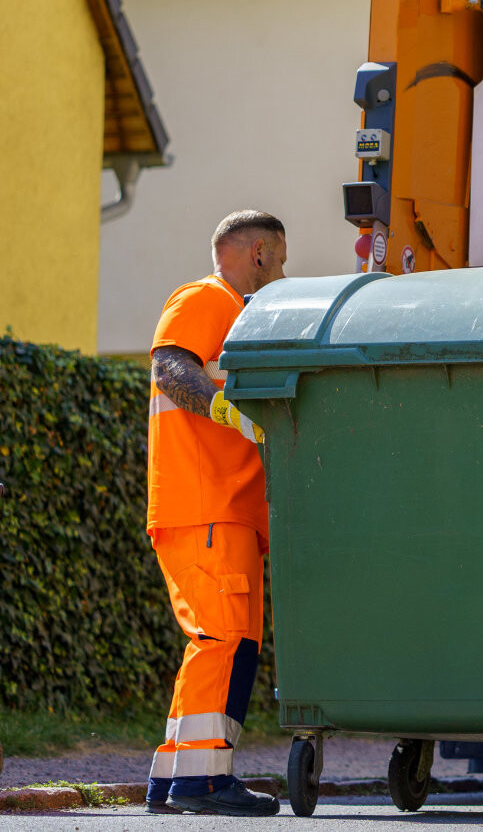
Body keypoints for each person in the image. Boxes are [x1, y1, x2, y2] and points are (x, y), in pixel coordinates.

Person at [143, 211, 287, 816]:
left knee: (227, 642)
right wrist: (227, 411)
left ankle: (175, 776)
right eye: (280, 260)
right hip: (207, 504)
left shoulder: (235, 313)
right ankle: (202, 782)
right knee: (222, 639)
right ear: (258, 252)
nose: (282, 273)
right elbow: (170, 367)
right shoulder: (209, 298)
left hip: (221, 509)